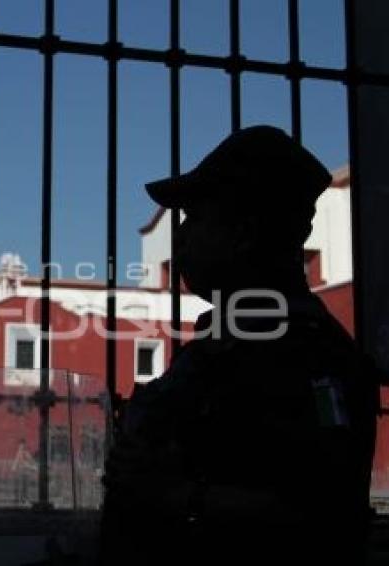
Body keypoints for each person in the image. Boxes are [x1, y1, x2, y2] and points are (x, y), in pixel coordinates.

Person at [102, 126, 380, 565]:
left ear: (243, 233)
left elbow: (324, 512)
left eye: (195, 218)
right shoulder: (230, 341)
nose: (182, 237)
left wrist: (174, 495)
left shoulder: (312, 359)